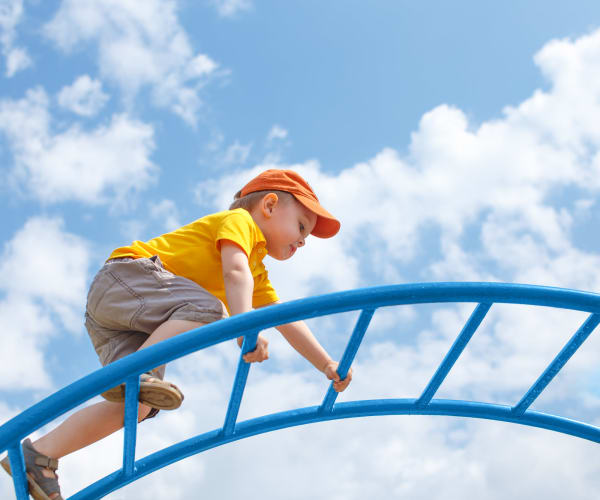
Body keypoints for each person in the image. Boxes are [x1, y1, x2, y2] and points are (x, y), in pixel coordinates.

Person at [1, 169, 353, 500]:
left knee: (137, 404)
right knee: (213, 310)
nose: (303, 241)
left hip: (123, 319)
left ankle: (40, 454)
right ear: (270, 205)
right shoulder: (241, 223)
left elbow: (285, 318)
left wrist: (326, 363)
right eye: (302, 226)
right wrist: (245, 326)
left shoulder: (257, 272)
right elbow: (234, 273)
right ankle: (140, 372)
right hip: (126, 280)